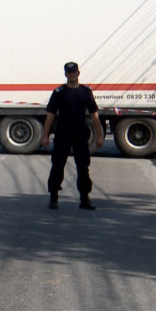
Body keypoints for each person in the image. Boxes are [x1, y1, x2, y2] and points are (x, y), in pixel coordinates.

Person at [41, 62, 104, 210]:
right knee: (57, 165)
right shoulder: (59, 92)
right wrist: (45, 136)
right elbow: (50, 115)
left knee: (83, 167)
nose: (72, 75)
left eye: (74, 72)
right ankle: (54, 197)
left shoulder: (86, 92)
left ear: (78, 73)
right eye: (69, 72)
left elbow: (94, 114)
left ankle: (85, 199)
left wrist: (100, 135)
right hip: (63, 133)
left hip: (80, 134)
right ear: (65, 74)